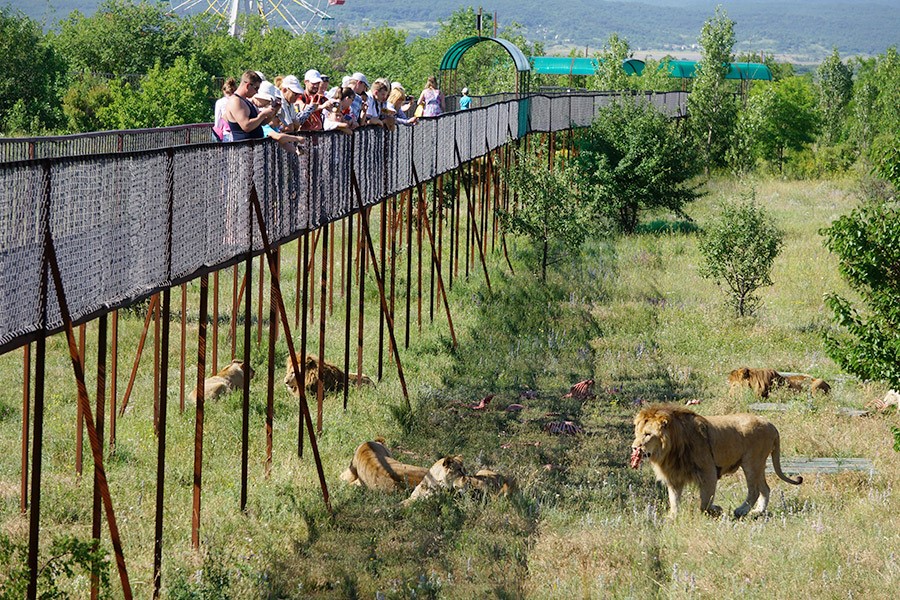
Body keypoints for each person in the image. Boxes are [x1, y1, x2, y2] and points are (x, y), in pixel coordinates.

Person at [223, 70, 277, 141]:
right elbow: (246, 126)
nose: (257, 92)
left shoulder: (246, 101)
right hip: (243, 149)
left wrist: (272, 112)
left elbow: (260, 123)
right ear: (248, 85)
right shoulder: (235, 101)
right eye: (256, 88)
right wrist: (263, 115)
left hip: (253, 148)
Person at [213, 77, 237, 141]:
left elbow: (217, 121)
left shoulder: (220, 102)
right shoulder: (238, 101)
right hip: (237, 133)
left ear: (224, 91)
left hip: (226, 133)